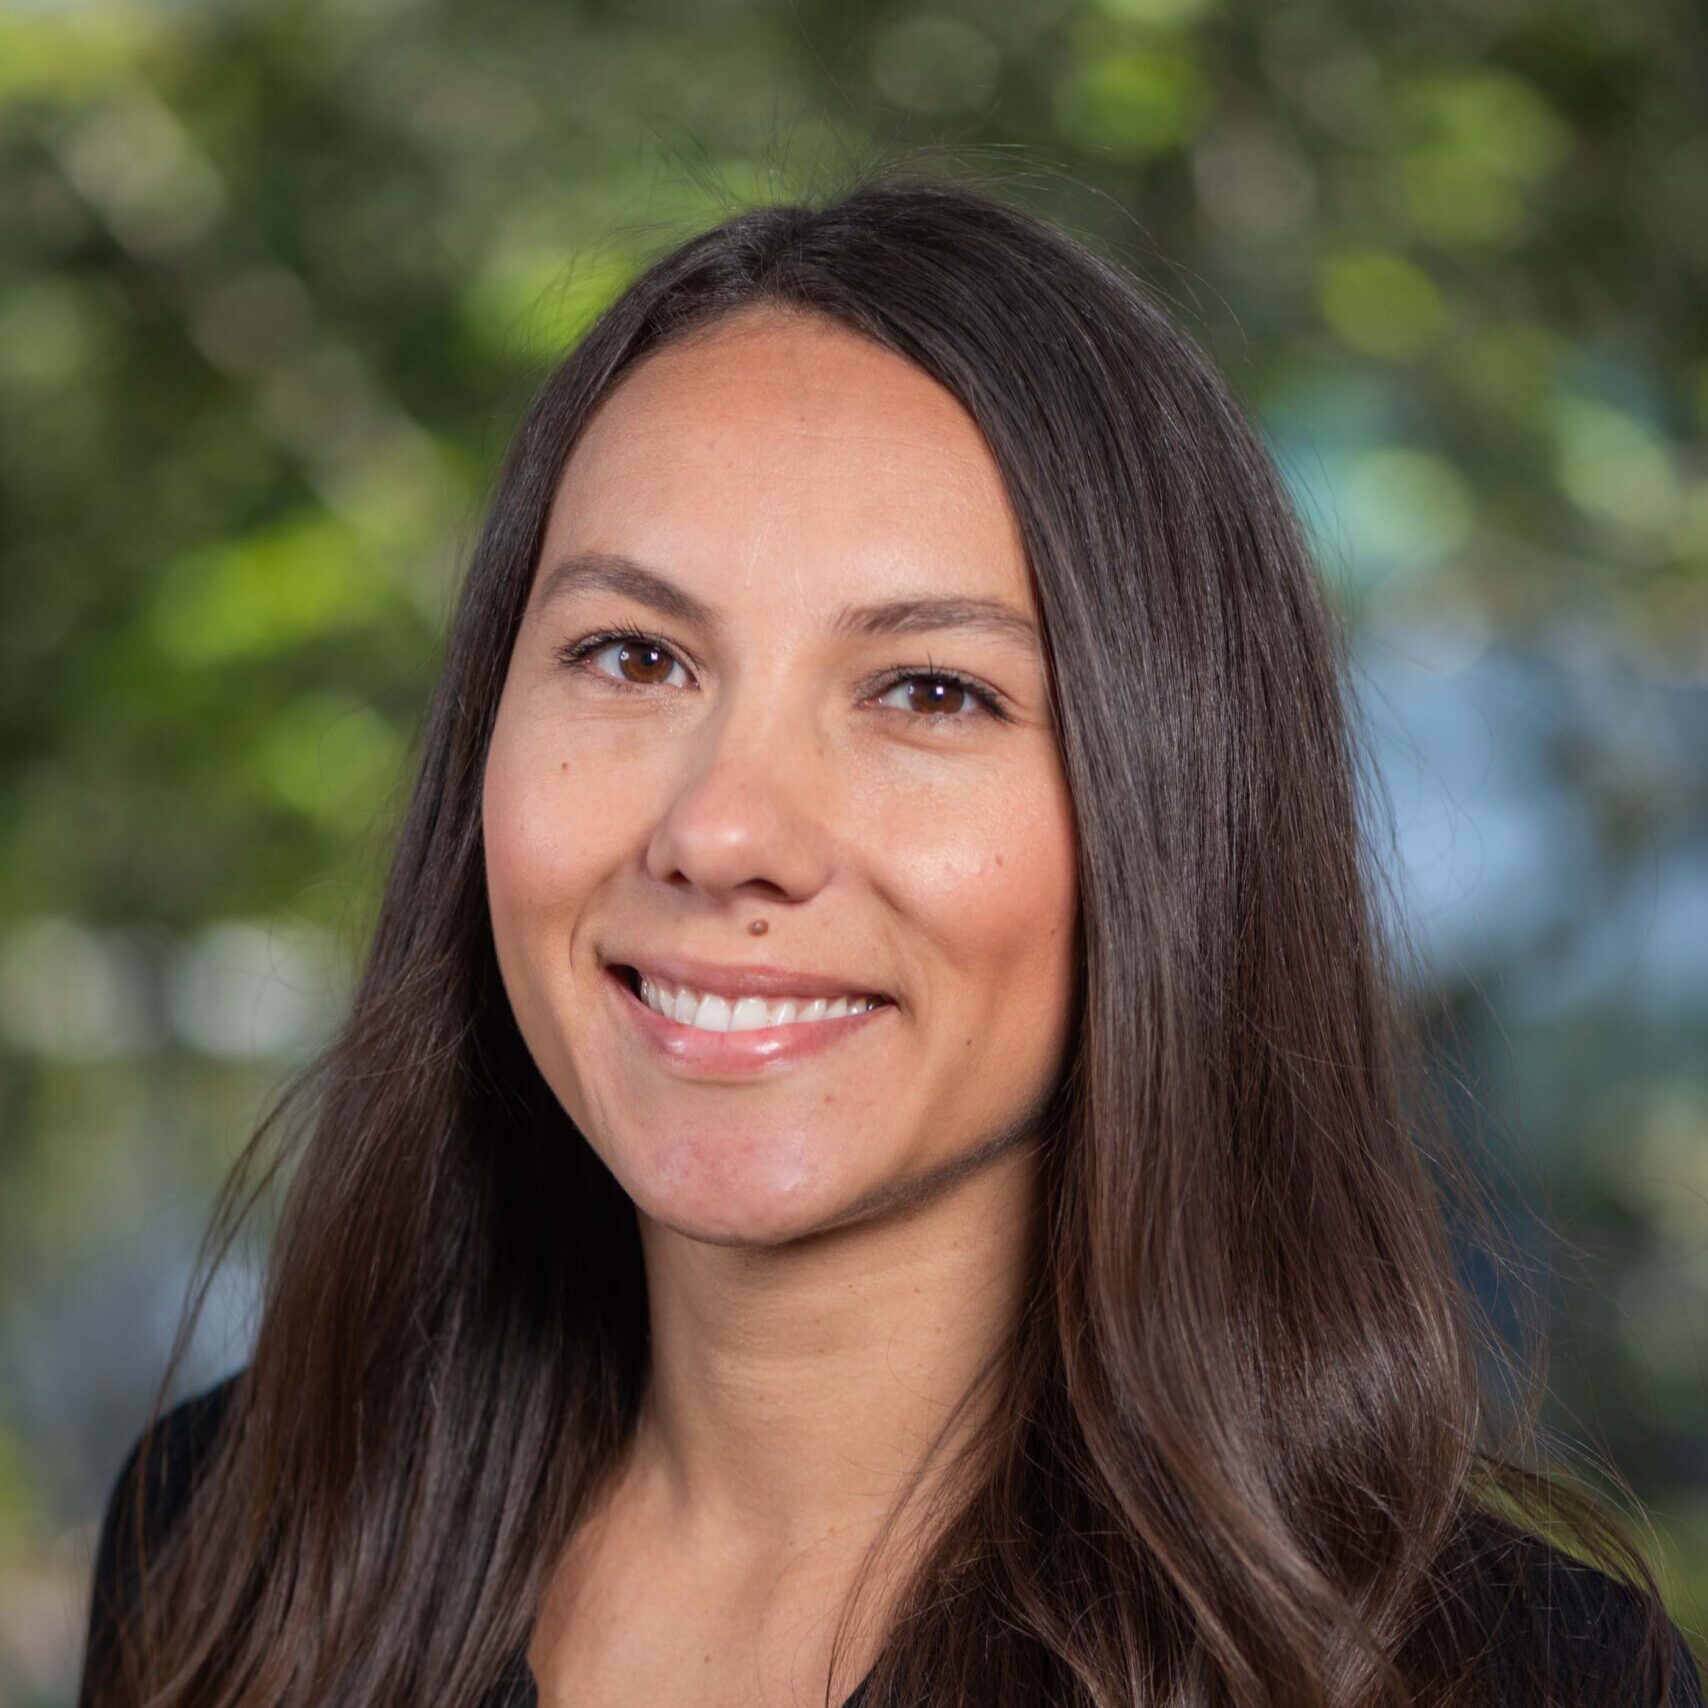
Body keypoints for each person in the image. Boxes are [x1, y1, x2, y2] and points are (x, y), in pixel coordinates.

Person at [78, 171, 1703, 1708]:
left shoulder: (1501, 1677)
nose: (721, 831)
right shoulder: (240, 1543)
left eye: (932, 691)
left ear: (1175, 824)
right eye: (633, 657)